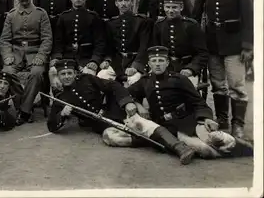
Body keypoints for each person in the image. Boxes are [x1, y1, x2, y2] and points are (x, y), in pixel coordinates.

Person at [105, 46, 253, 161]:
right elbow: (126, 93)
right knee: (204, 150)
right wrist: (138, 104)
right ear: (149, 63)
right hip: (167, 126)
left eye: (161, 61)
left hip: (187, 121)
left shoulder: (179, 79)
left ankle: (246, 148)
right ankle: (223, 151)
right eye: (154, 61)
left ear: (167, 62)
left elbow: (198, 102)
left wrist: (206, 118)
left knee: (214, 139)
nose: (158, 64)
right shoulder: (145, 81)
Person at [46, 59, 197, 165]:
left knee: (140, 124)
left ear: (75, 73)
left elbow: (113, 85)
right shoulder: (61, 98)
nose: (67, 77)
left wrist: (128, 102)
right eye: (63, 74)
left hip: (115, 111)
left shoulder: (87, 79)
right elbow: (52, 125)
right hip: (102, 125)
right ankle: (159, 141)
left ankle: (180, 148)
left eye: (69, 73)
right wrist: (63, 115)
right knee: (111, 138)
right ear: (58, 76)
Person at [192, 0, 254, 138]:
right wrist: (196, 43)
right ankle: (222, 120)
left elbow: (250, 19)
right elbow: (195, 17)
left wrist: (248, 46)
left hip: (234, 45)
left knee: (237, 85)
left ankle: (238, 124)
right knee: (218, 85)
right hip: (212, 44)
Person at [0, 0, 52, 125]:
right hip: (15, 53)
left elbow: (47, 38)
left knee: (36, 73)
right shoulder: (11, 15)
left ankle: (23, 112)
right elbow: (4, 39)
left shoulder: (41, 13)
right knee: (7, 72)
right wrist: (7, 55)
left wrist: (41, 56)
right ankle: (24, 109)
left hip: (34, 53)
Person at [51, 0, 106, 80]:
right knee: (54, 72)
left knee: (88, 75)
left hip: (87, 58)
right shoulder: (63, 17)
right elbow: (58, 41)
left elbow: (100, 42)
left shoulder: (93, 17)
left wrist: (95, 60)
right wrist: (57, 57)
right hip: (66, 57)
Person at [152, 0, 208, 87]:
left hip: (186, 67)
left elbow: (202, 53)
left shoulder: (191, 25)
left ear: (181, 7)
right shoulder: (159, 25)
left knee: (188, 88)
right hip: (165, 68)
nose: (170, 11)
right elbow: (155, 49)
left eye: (174, 7)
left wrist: (191, 69)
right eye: (167, 7)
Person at [101, 0, 153, 86]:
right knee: (102, 76)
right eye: (120, 1)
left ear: (132, 3)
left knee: (133, 80)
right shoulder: (111, 23)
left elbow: (144, 47)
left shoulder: (142, 22)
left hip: (136, 60)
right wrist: (107, 60)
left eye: (126, 0)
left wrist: (136, 65)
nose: (123, 4)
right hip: (118, 62)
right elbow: (109, 47)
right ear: (116, 3)